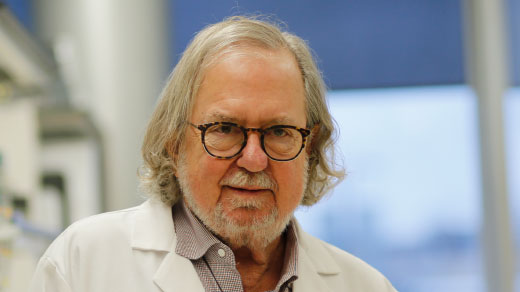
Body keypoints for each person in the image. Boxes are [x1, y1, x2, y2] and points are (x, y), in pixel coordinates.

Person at [30, 16, 397, 292]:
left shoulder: (365, 285)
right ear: (174, 142)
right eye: (224, 129)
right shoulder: (82, 264)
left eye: (279, 132)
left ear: (310, 149)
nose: (254, 159)